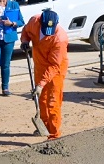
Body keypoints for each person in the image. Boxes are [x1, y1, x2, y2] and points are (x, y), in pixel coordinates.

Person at [19, 8, 68, 139]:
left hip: (55, 71)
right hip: (39, 66)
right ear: (40, 21)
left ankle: (54, 134)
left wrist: (41, 84)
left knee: (53, 103)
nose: (47, 34)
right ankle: (44, 126)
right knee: (41, 98)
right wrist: (24, 41)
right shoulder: (34, 21)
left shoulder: (60, 39)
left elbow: (54, 65)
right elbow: (26, 31)